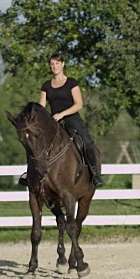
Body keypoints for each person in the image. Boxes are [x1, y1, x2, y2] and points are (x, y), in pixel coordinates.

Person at [18, 53, 104, 188]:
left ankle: (95, 174)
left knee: (86, 142)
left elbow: (78, 104)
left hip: (72, 119)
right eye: (52, 64)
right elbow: (41, 107)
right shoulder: (46, 85)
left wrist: (62, 114)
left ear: (63, 64)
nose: (54, 66)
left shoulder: (71, 83)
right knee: (35, 144)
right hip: (54, 122)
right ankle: (29, 174)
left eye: (57, 63)